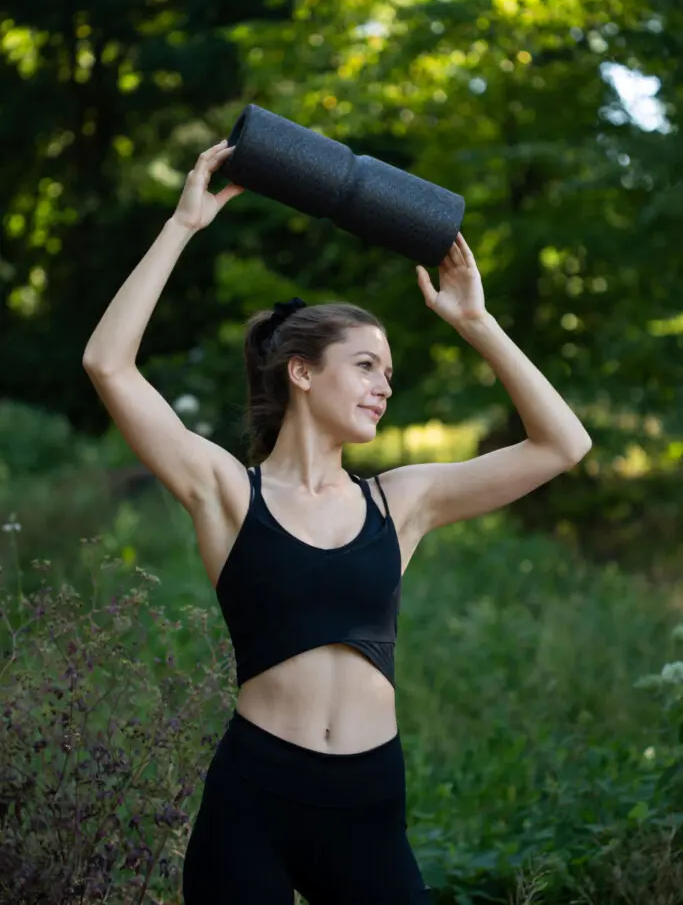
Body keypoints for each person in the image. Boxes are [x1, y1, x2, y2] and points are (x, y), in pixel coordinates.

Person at [83, 140, 592, 903]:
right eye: (365, 366)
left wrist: (477, 322)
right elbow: (108, 366)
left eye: (388, 373)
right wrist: (182, 226)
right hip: (254, 797)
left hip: (366, 805)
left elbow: (563, 444)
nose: (384, 387)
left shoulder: (401, 500)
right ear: (301, 372)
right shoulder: (227, 491)